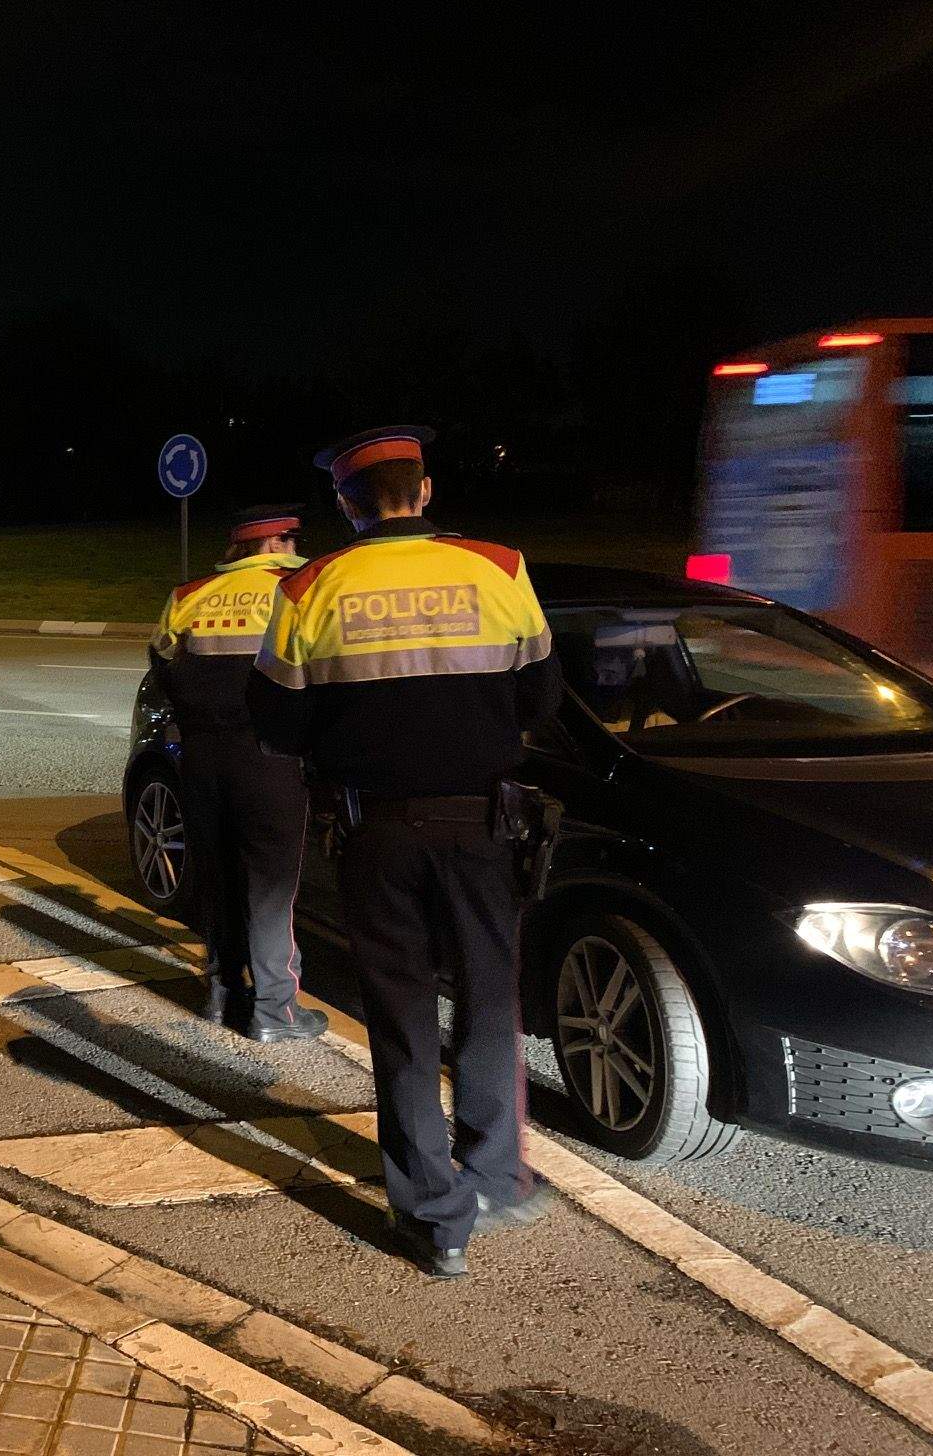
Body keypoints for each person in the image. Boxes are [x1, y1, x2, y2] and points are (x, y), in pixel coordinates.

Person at [249, 426, 562, 1280]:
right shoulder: (500, 568)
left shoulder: (312, 583)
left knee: (402, 1014)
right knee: (491, 1000)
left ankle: (435, 1220)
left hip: (375, 832)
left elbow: (275, 723)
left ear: (345, 505)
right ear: (424, 493)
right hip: (483, 826)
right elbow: (540, 696)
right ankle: (497, 1174)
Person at [151, 506, 328, 1043]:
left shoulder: (188, 595)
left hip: (203, 760)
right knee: (272, 886)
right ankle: (276, 1011)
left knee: (219, 876)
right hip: (271, 761)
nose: (298, 545)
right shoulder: (298, 588)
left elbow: (161, 667)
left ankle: (223, 994)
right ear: (274, 543)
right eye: (293, 537)